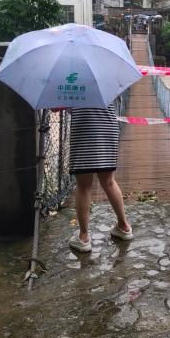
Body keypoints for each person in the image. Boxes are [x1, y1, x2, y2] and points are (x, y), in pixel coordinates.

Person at [68, 104, 133, 252]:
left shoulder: (71, 81)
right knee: (109, 181)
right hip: (107, 126)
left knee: (84, 185)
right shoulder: (104, 80)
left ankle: (83, 237)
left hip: (84, 128)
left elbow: (58, 106)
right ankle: (123, 226)